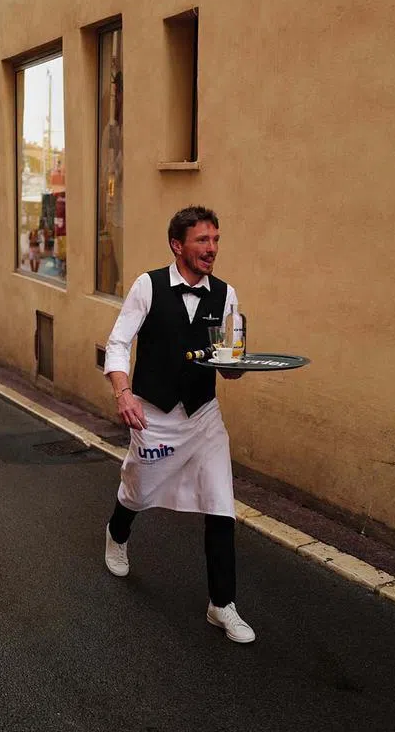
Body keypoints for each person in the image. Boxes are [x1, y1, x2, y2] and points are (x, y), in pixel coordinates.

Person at [102, 205, 254, 643]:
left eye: (216, 240)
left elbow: (228, 358)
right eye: (203, 240)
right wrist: (123, 393)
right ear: (177, 245)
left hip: (203, 416)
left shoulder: (226, 294)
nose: (212, 248)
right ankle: (116, 532)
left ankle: (221, 604)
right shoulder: (147, 286)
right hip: (153, 415)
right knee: (138, 490)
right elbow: (118, 342)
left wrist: (236, 367)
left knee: (221, 503)